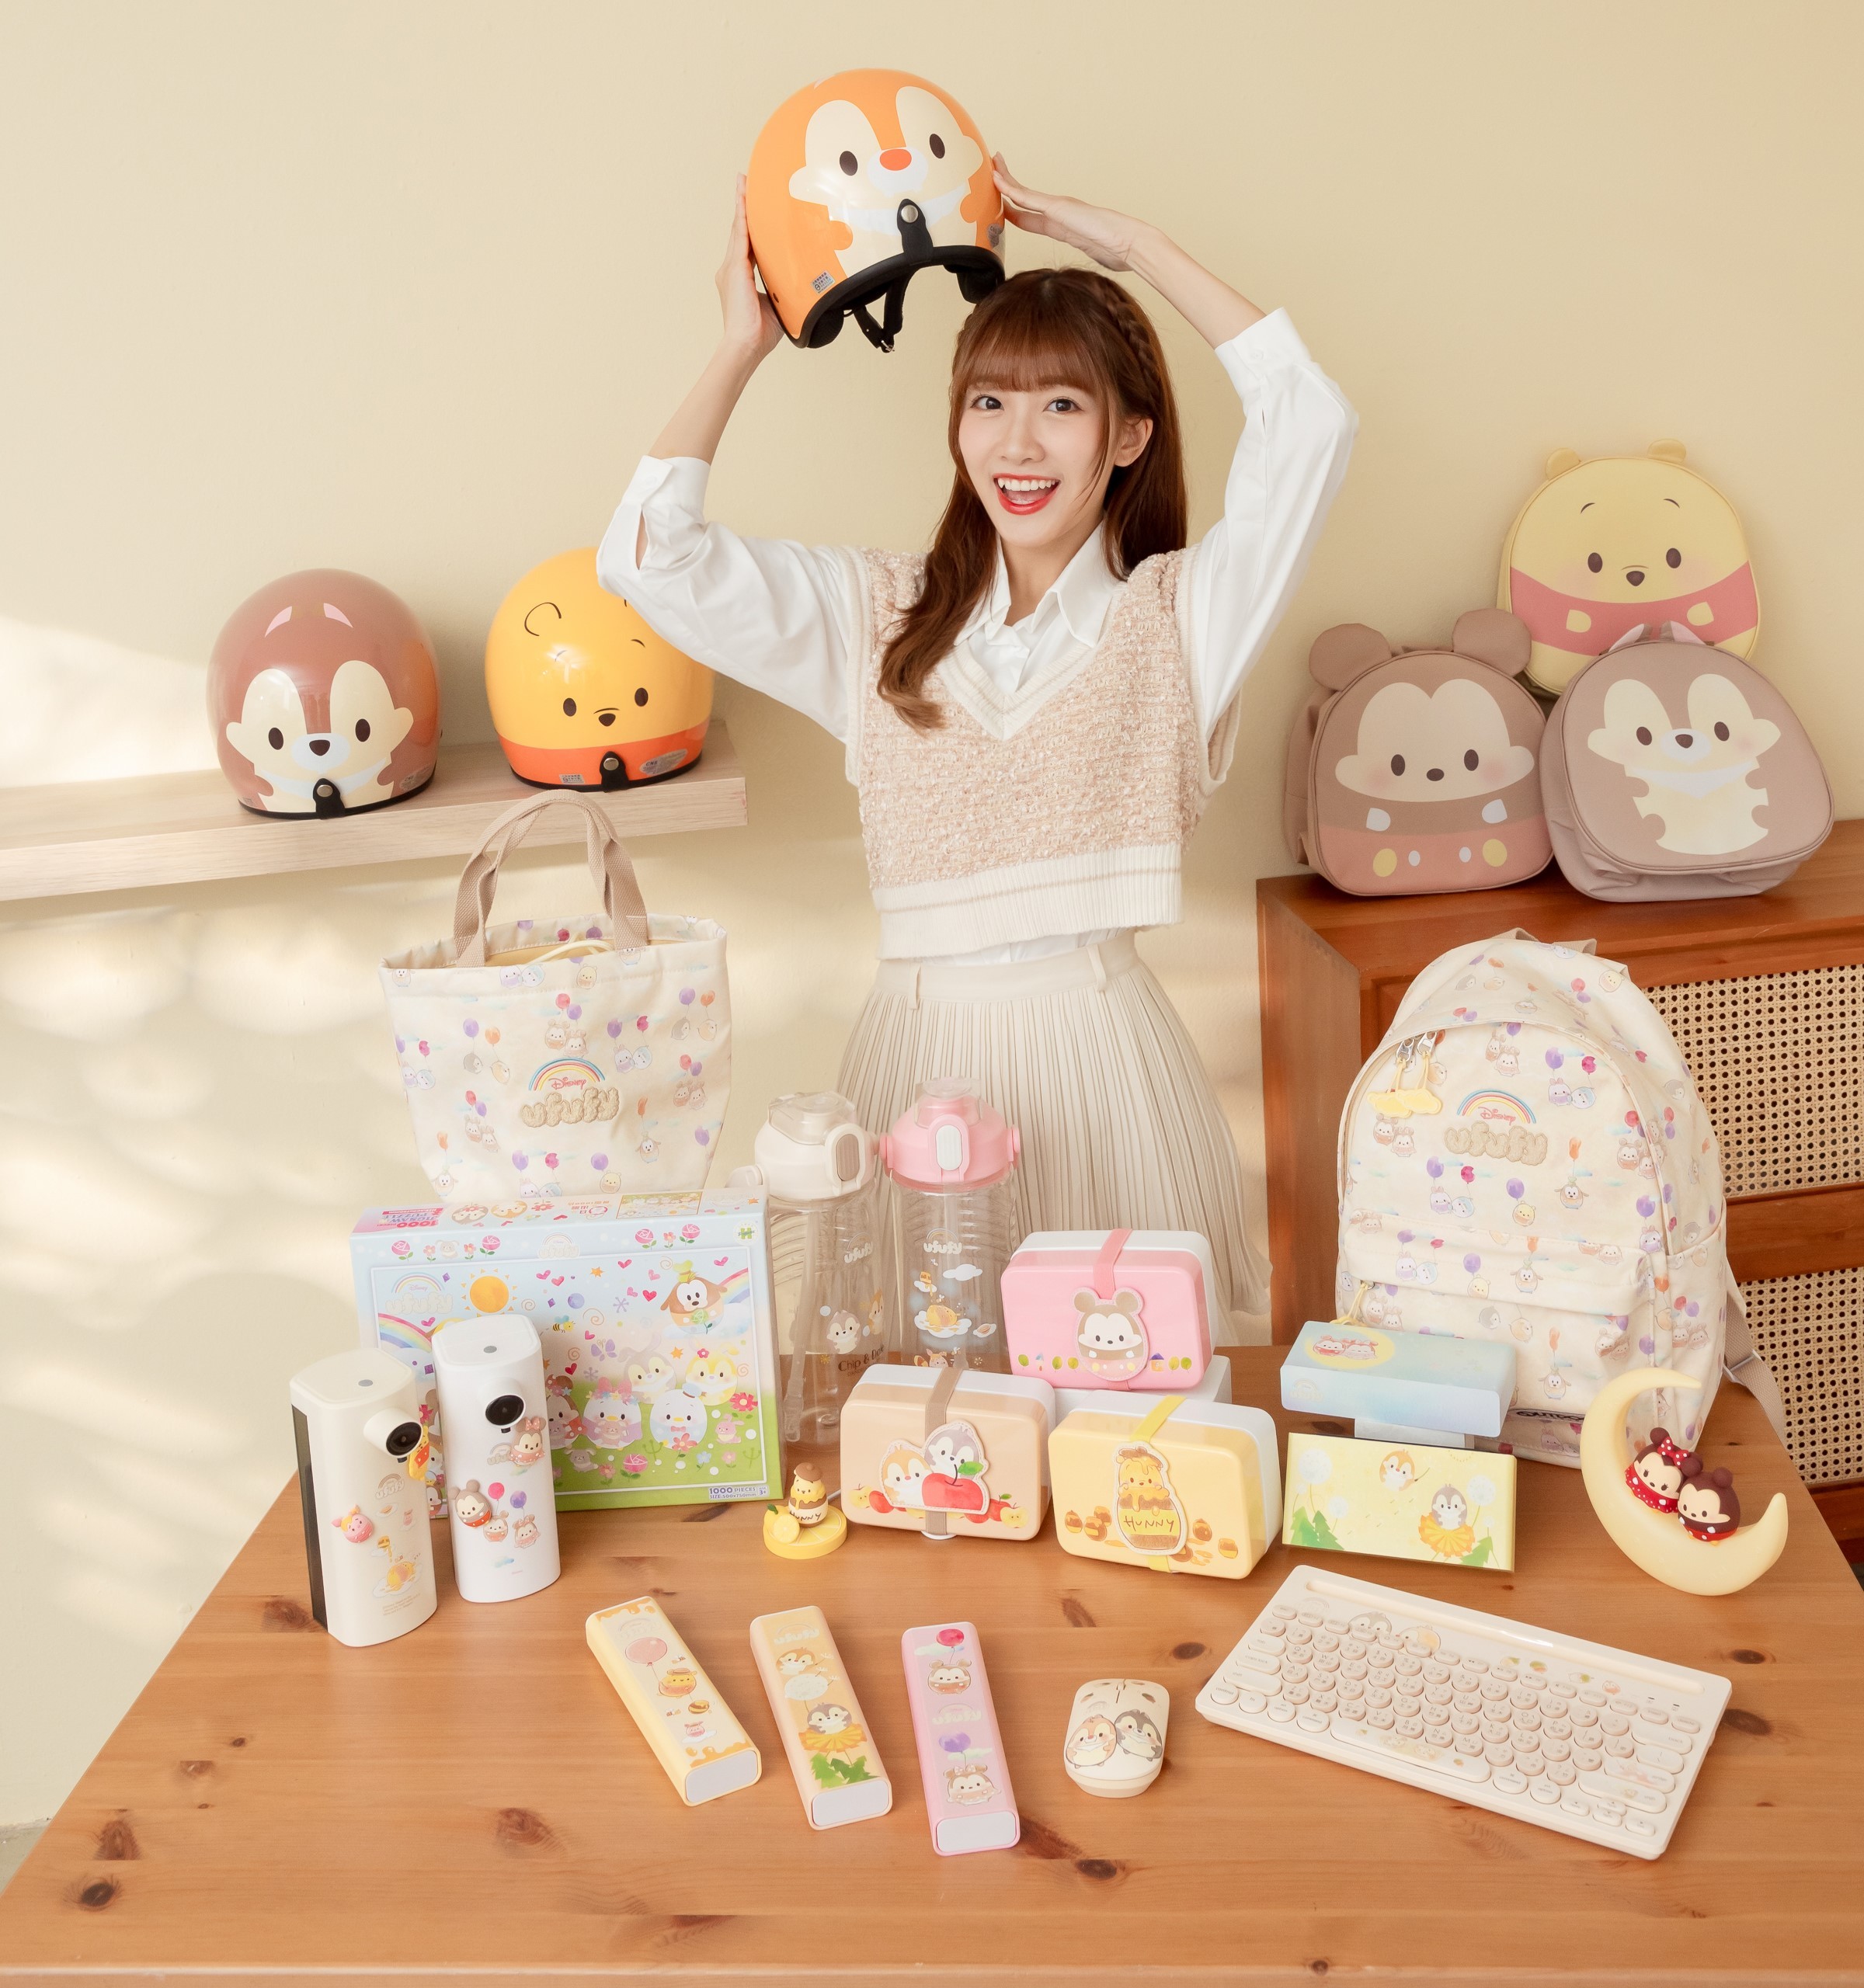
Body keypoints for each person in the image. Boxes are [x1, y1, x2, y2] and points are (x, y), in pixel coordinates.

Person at [597, 159, 1356, 1326]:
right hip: (916, 1059)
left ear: (1128, 436)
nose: (1019, 442)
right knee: (923, 1390)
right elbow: (649, 560)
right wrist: (740, 345)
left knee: (1123, 1378)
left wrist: (1133, 243)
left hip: (1103, 1063)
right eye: (989, 403)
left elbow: (1311, 421)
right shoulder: (877, 618)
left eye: (1063, 406)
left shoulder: (1181, 619)